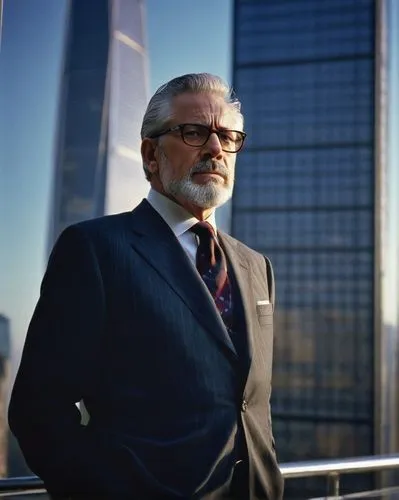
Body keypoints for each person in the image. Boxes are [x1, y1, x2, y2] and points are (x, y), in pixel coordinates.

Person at [9, 73, 284, 499]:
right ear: (150, 154)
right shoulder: (96, 250)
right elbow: (38, 412)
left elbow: (250, 407)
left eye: (228, 136)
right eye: (194, 132)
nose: (215, 148)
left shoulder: (255, 265)